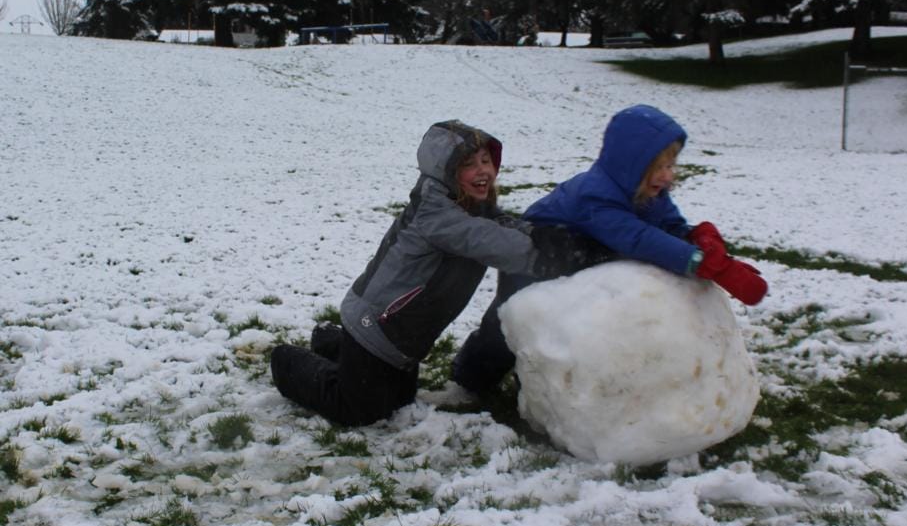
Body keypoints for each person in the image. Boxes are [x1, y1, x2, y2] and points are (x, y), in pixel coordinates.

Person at [270, 119, 592, 426]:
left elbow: (500, 226)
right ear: (447, 172)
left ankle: (332, 343)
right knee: (359, 411)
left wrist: (541, 235)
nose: (483, 170)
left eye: (486, 160)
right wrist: (556, 256)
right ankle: (286, 361)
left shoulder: (469, 206)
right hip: (376, 327)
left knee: (398, 402)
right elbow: (490, 241)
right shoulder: (438, 216)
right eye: (469, 164)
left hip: (400, 339)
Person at [452, 103, 767, 394]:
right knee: (511, 322)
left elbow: (667, 225)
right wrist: (699, 262)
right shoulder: (597, 195)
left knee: (567, 324)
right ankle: (471, 380)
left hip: (580, 255)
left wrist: (697, 238)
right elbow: (637, 238)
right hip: (536, 255)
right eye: (659, 167)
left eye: (672, 164)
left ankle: (546, 385)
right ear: (632, 165)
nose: (668, 175)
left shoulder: (648, 191)